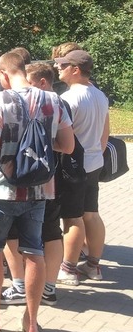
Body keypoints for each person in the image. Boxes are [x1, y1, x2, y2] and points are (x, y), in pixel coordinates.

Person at [0, 52, 73, 332]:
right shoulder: (53, 100)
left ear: (3, 74)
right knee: (34, 251)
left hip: (2, 190)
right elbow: (67, 145)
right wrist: (39, 143)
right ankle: (32, 323)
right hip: (39, 190)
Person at [0, 62, 82, 307]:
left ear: (42, 81)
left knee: (12, 233)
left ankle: (19, 286)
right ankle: (49, 288)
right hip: (50, 178)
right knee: (51, 232)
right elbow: (68, 146)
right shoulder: (59, 103)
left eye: (31, 81)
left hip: (20, 179)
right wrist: (47, 143)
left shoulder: (17, 102)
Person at [55, 49, 110, 282]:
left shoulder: (69, 98)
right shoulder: (100, 95)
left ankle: (68, 269)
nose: (58, 67)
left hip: (73, 166)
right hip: (94, 162)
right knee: (91, 214)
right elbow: (105, 134)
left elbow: (61, 137)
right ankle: (93, 266)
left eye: (63, 65)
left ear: (75, 70)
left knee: (72, 217)